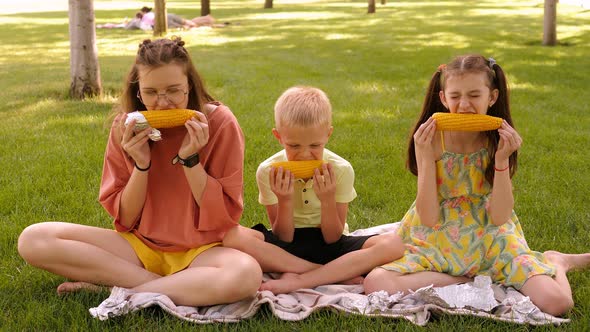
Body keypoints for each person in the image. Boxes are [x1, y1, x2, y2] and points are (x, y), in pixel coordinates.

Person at [17, 37, 262, 307]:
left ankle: (122, 289)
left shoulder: (219, 123)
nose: (162, 102)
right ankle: (167, 287)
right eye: (151, 93)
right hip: (140, 247)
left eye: (173, 90)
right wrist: (141, 165)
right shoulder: (125, 127)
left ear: (189, 86)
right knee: (34, 239)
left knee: (246, 275)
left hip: (202, 252)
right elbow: (125, 218)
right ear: (138, 91)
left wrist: (191, 160)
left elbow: (224, 219)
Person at [362, 54, 590, 316]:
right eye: (455, 96)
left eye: (474, 95)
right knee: (376, 282)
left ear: (491, 98)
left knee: (559, 303)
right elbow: (427, 217)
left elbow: (500, 216)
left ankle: (556, 261)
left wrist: (502, 160)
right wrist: (424, 157)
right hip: (438, 234)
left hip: (491, 237)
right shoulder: (432, 140)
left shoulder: (496, 140)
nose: (464, 105)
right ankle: (471, 281)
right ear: (443, 98)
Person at [223, 86, 404, 294]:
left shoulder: (341, 169)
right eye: (294, 146)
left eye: (315, 145)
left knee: (394, 244)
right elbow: (283, 237)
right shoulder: (268, 171)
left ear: (328, 135)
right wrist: (285, 200)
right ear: (278, 137)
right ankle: (324, 273)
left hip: (331, 246)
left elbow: (333, 237)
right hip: (285, 249)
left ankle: (300, 280)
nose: (305, 155)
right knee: (231, 236)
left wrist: (327, 199)